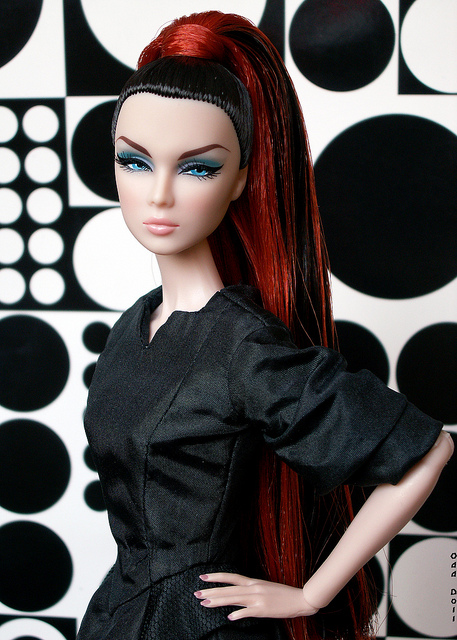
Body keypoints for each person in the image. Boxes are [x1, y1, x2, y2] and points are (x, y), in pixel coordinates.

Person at [78, 11, 453, 640]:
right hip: (119, 610)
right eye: (135, 162)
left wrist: (311, 594)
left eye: (197, 167)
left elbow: (425, 449)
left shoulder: (242, 345)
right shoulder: (132, 326)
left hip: (199, 623)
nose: (159, 194)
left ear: (242, 179)